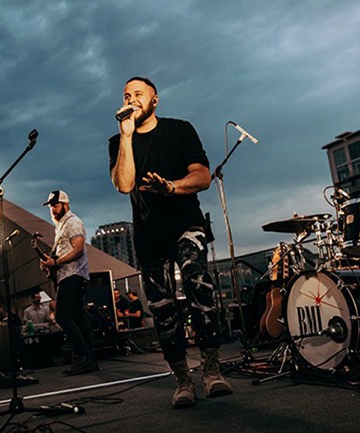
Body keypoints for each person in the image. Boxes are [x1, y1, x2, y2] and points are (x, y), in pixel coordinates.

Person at [108, 76, 232, 408]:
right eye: (125, 95)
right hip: (149, 233)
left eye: (138, 94)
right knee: (162, 307)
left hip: (185, 223)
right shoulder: (118, 141)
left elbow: (203, 176)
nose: (131, 98)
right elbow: (124, 184)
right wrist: (126, 136)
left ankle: (211, 370)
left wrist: (172, 188)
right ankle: (182, 379)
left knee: (197, 281)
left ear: (155, 100)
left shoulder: (180, 130)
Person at [39, 190, 98, 375]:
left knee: (62, 317)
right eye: (51, 207)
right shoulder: (61, 226)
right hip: (70, 275)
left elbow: (78, 249)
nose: (53, 210)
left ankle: (83, 356)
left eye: (56, 206)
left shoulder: (72, 222)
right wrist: (51, 265)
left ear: (66, 205)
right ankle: (90, 359)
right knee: (79, 317)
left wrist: (55, 262)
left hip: (72, 275)